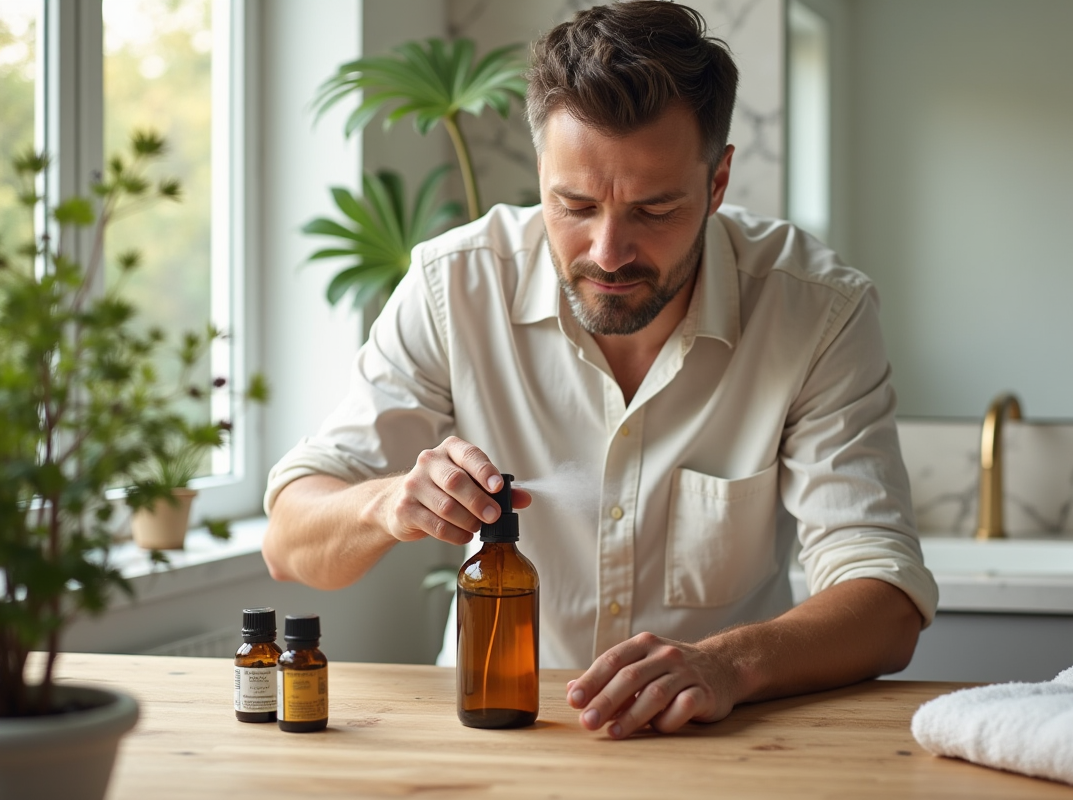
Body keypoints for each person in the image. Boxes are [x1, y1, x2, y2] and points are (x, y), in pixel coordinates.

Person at [263, 0, 937, 740]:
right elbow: (291, 541)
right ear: (540, 172)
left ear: (717, 184)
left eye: (654, 210)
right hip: (498, 742)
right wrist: (389, 502)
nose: (608, 251)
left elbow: (886, 598)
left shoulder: (817, 310)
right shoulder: (451, 286)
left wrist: (726, 663)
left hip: (718, 747)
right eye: (574, 204)